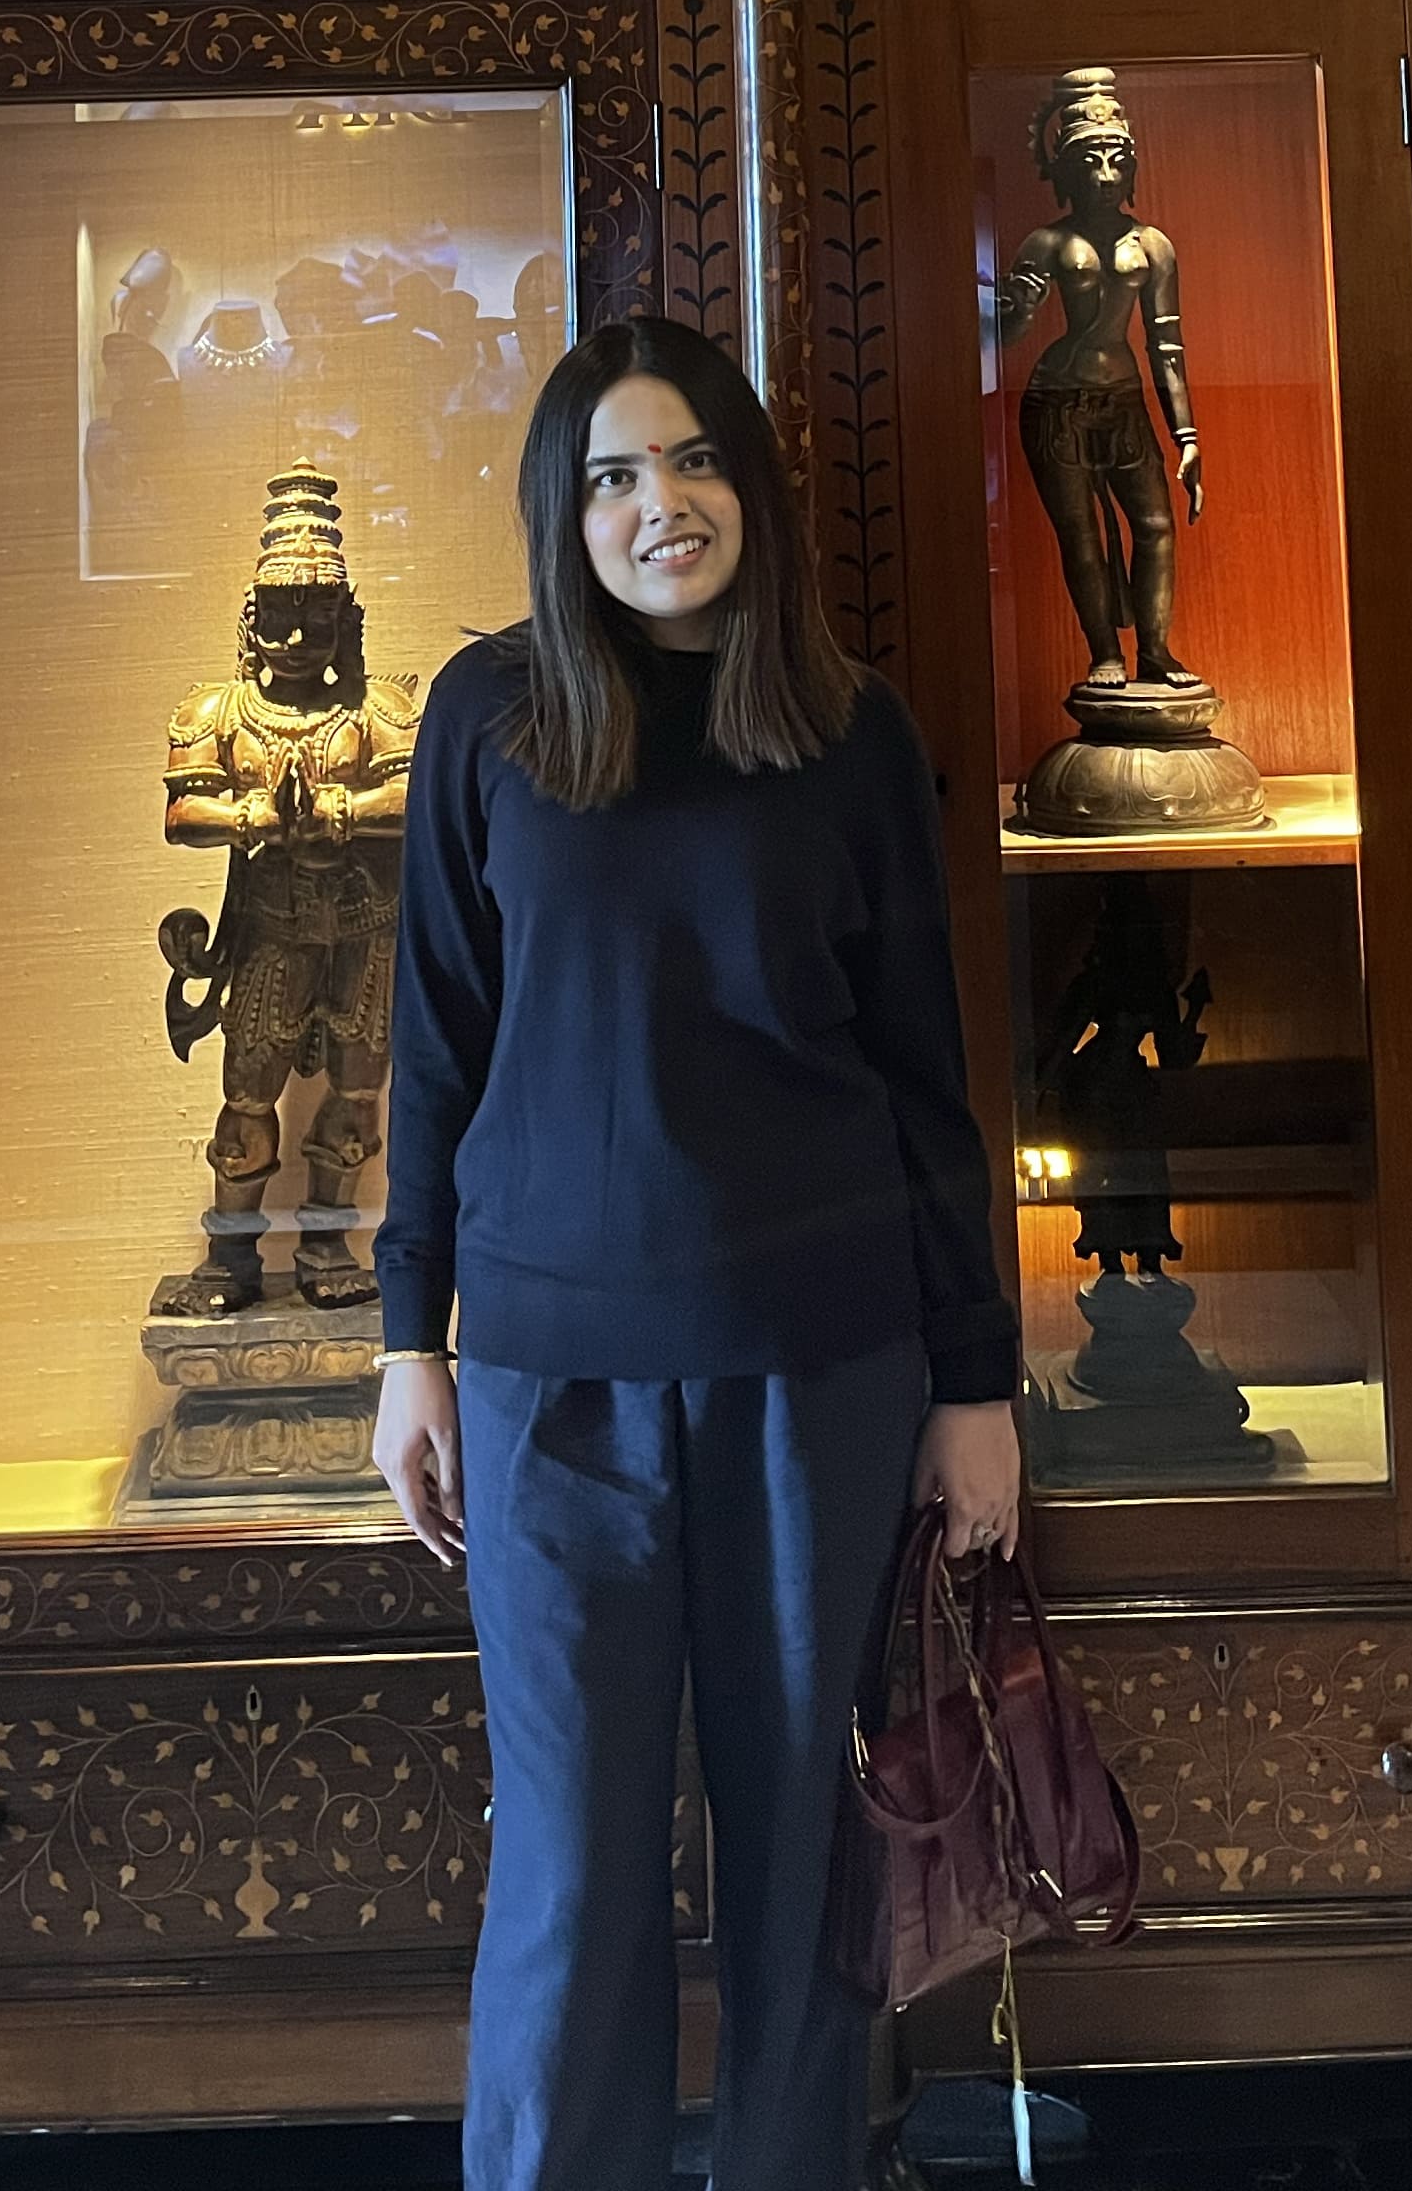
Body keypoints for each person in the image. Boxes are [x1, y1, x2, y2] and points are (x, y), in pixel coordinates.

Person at [372, 315, 1020, 2191]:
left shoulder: (851, 729)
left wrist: (972, 1377)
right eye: (613, 476)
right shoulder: (485, 718)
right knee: (572, 1868)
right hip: (552, 1387)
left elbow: (924, 1074)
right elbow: (432, 1047)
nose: (663, 506)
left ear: (752, 484)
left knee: (797, 1848)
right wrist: (411, 1340)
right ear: (563, 517)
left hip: (820, 1373)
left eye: (695, 462)